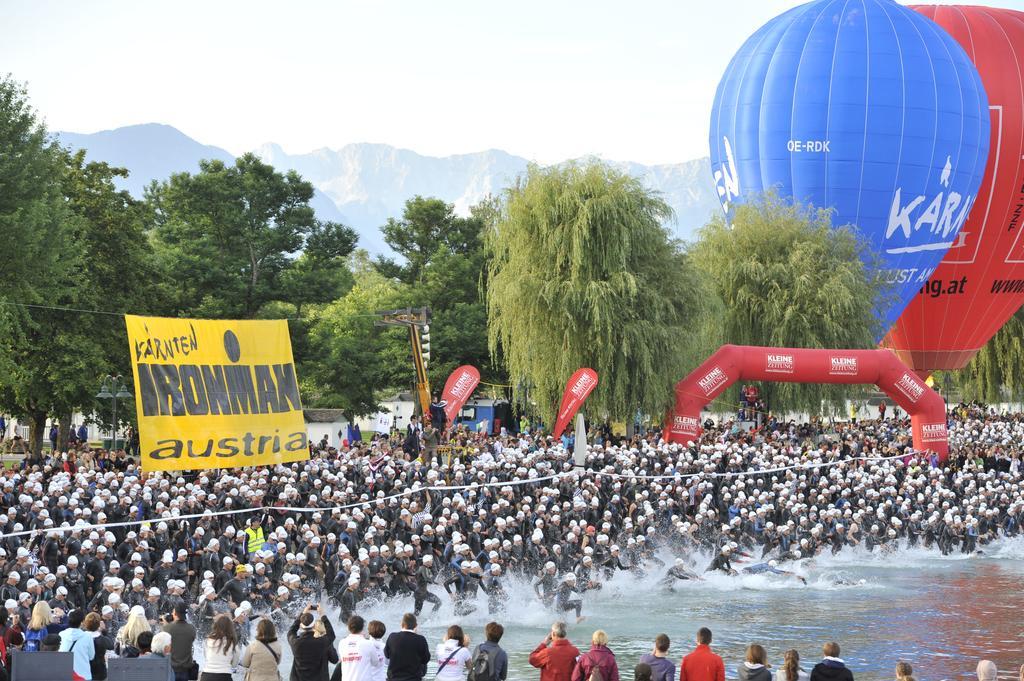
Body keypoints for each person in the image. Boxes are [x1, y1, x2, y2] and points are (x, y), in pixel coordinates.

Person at [288, 605, 335, 681]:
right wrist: (323, 615)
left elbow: (291, 631)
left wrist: (302, 613)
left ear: (301, 626)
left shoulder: (295, 642)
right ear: (314, 626)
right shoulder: (321, 642)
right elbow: (331, 634)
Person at [334, 615, 383, 681]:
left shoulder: (342, 643)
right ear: (363, 628)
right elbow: (376, 663)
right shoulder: (368, 643)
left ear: (348, 628)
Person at [383, 613, 430, 681]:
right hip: (413, 678)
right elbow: (426, 659)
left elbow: (387, 655)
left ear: (401, 624)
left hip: (394, 678)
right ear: (415, 626)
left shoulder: (392, 637)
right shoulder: (421, 639)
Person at [201, 613, 242, 681]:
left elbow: (206, 657)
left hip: (206, 675)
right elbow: (235, 663)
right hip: (224, 676)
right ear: (230, 628)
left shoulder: (208, 640)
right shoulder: (233, 643)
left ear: (216, 626)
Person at [58, 609, 95, 681]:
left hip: (66, 674)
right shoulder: (87, 636)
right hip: (84, 675)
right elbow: (91, 656)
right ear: (81, 622)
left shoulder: (61, 634)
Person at [163, 603, 197, 681]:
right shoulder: (192, 628)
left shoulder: (167, 628)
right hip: (185, 670)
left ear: (175, 613)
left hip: (171, 669)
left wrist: (166, 624)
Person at [83, 612, 115, 681]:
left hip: (85, 669)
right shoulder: (102, 639)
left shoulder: (82, 638)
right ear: (98, 625)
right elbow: (111, 645)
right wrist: (104, 630)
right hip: (100, 671)